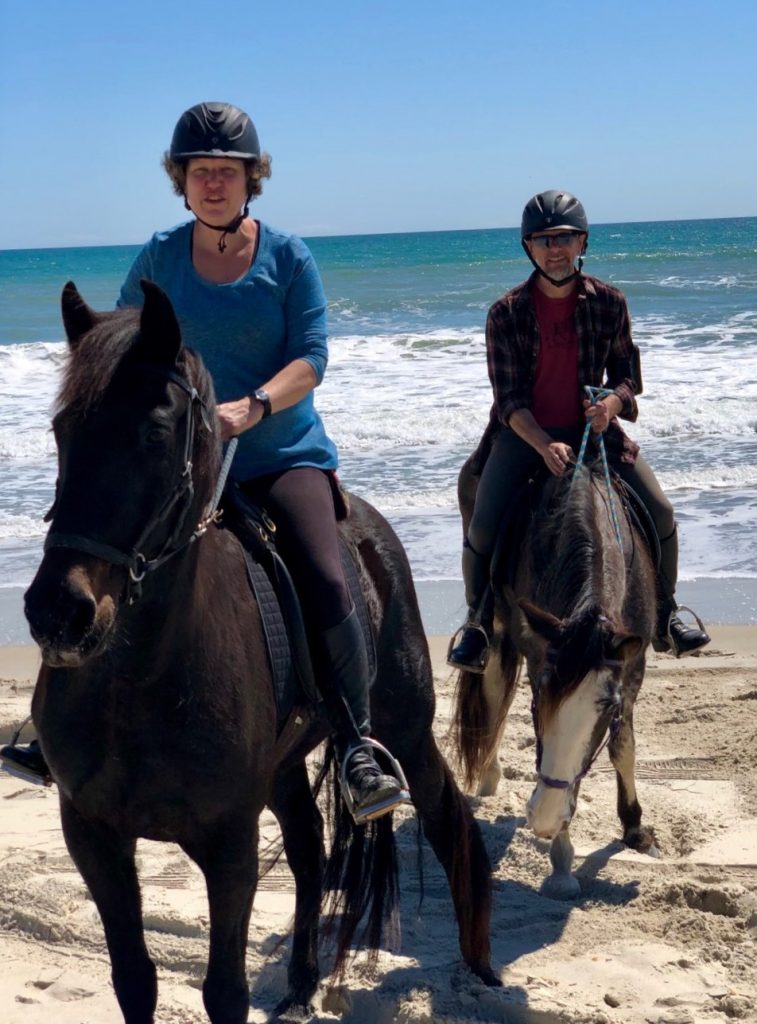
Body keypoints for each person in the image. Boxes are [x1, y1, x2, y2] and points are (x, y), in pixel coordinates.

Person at [2, 101, 411, 824]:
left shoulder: (288, 257)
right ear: (181, 182)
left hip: (278, 452)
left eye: (226, 172)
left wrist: (250, 408)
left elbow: (311, 358)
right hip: (179, 461)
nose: (213, 184)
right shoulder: (161, 254)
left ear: (251, 180)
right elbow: (122, 343)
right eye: (199, 173)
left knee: (322, 572)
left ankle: (353, 742)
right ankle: (49, 722)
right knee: (99, 554)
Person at [447, 189, 710, 672]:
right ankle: (479, 621)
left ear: (582, 242)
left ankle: (666, 613)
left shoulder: (610, 303)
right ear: (528, 247)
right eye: (544, 239)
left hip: (597, 435)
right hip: (526, 438)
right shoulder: (505, 313)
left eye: (565, 238)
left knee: (662, 511)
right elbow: (508, 400)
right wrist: (544, 444)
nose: (555, 249)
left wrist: (611, 403)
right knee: (484, 523)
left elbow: (630, 378)